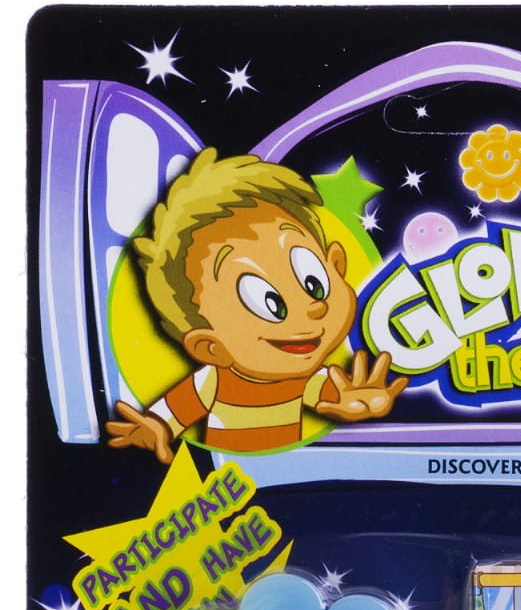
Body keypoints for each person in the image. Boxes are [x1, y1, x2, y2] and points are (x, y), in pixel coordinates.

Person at [106, 149, 407, 461]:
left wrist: (360, 404)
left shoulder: (303, 378)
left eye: (313, 284)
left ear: (335, 265)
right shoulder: (211, 382)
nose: (312, 309)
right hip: (228, 476)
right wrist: (156, 429)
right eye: (270, 303)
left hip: (290, 471)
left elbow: (335, 398)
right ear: (210, 347)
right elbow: (169, 416)